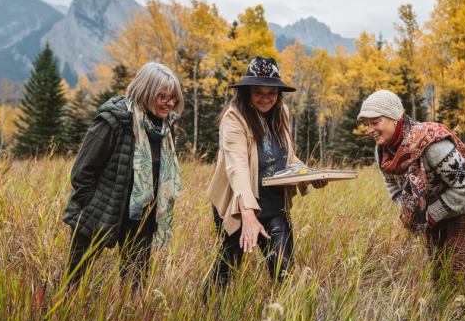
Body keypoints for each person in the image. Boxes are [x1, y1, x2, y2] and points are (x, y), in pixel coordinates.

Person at [205, 56, 327, 290]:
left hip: (273, 201)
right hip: (238, 203)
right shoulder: (234, 117)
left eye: (271, 93)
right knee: (228, 265)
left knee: (283, 265)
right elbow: (236, 167)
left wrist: (310, 175)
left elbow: (288, 157)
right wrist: (248, 214)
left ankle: (281, 317)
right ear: (246, 92)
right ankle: (209, 309)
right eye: (258, 92)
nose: (265, 99)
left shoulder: (282, 112)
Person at [62, 62, 183, 289]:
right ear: (145, 92)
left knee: (134, 286)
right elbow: (82, 171)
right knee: (73, 281)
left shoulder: (164, 127)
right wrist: (91, 205)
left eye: (174, 97)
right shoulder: (115, 120)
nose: (170, 103)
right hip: (100, 211)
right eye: (162, 96)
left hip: (141, 217)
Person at [358, 90, 465, 280]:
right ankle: (440, 309)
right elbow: (390, 183)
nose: (369, 130)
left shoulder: (432, 144)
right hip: (428, 211)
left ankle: (461, 309)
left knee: (457, 269)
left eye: (375, 122)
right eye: (366, 124)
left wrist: (430, 214)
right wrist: (407, 208)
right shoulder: (383, 151)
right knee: (437, 267)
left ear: (395, 118)